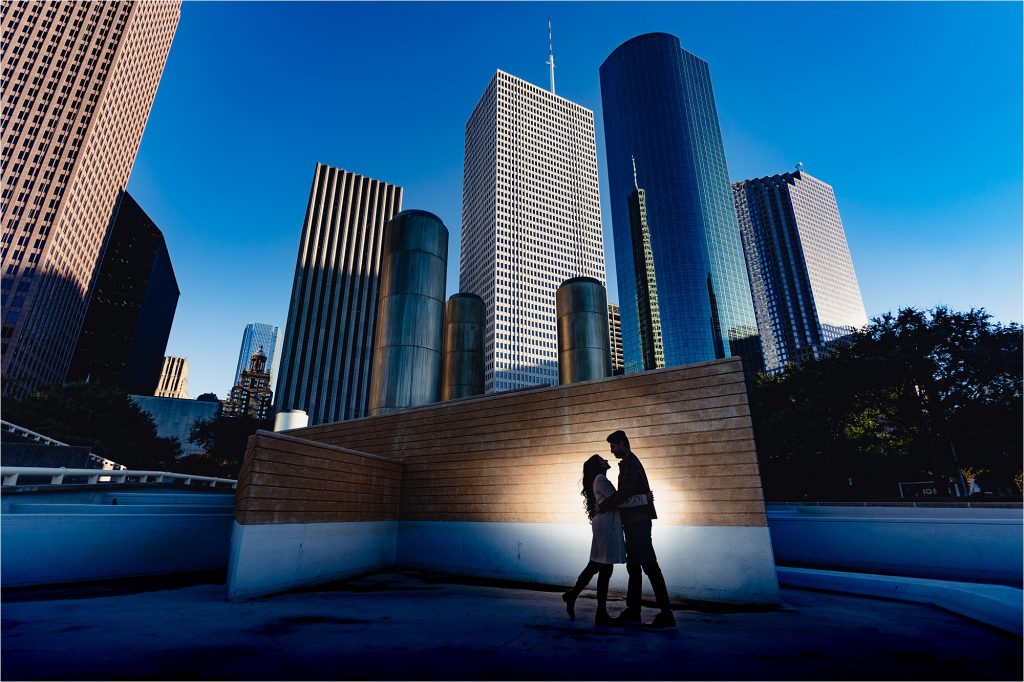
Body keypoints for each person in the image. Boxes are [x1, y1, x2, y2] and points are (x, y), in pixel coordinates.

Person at [598, 429, 676, 630]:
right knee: (633, 567)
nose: (612, 450)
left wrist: (603, 505)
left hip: (639, 523)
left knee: (649, 565)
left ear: (622, 444)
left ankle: (667, 614)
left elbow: (623, 494)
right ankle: (633, 610)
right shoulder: (627, 464)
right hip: (633, 523)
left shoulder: (631, 465)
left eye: (613, 446)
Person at [561, 454, 626, 626]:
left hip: (603, 525)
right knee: (603, 567)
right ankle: (599, 612)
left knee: (598, 565)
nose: (606, 460)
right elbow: (617, 499)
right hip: (606, 526)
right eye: (602, 459)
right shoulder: (600, 479)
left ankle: (575, 596)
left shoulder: (597, 479)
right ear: (598, 465)